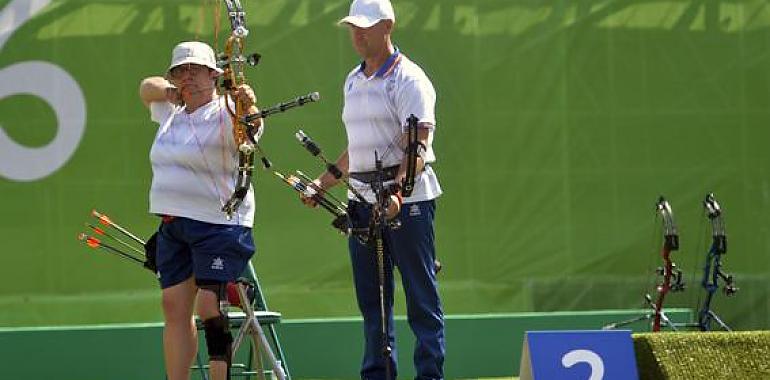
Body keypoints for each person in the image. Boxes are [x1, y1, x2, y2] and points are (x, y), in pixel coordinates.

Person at [303, 0, 444, 378]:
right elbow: (360, 148)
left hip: (407, 203)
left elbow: (417, 145)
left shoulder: (409, 79)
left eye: (366, 26)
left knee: (420, 295)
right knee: (373, 301)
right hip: (360, 203)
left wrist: (398, 193)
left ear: (388, 26)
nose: (358, 33)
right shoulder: (353, 79)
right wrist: (324, 182)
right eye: (353, 26)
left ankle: (430, 374)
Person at [139, 41, 262, 380]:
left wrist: (246, 105)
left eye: (196, 70)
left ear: (214, 74)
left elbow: (248, 131)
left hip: (219, 225)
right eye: (181, 71)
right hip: (173, 224)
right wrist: (170, 91)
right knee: (173, 308)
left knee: (208, 305)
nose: (188, 77)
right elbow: (145, 87)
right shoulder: (171, 111)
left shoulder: (226, 110)